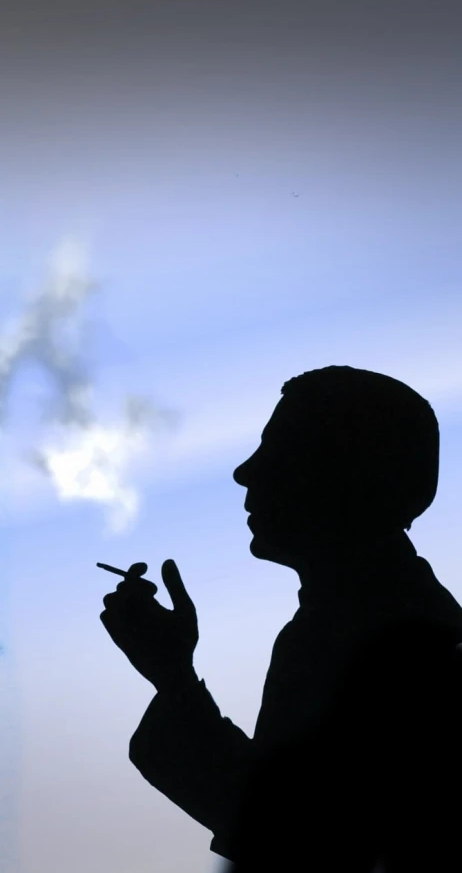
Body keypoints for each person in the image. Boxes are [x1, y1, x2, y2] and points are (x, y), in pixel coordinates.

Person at [100, 366, 462, 871]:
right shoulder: (358, 619)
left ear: (343, 474)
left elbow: (293, 839)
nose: (245, 471)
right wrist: (173, 675)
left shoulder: (398, 648)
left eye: (280, 448)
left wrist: (175, 680)